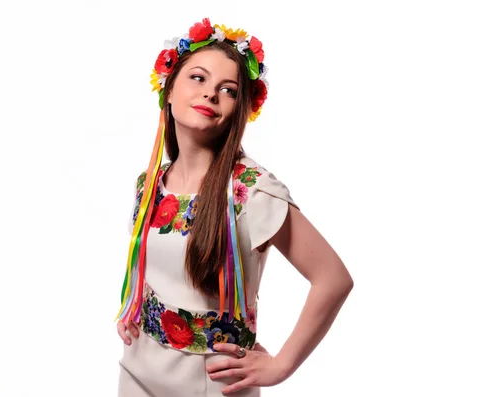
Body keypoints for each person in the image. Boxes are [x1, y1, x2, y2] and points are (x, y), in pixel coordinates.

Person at [115, 18, 354, 396]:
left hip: (215, 384)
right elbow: (156, 268)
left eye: (227, 89)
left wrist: (282, 365)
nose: (210, 93)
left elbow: (333, 278)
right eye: (198, 78)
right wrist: (135, 309)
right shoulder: (149, 185)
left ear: (239, 110)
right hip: (138, 374)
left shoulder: (250, 191)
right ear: (169, 89)